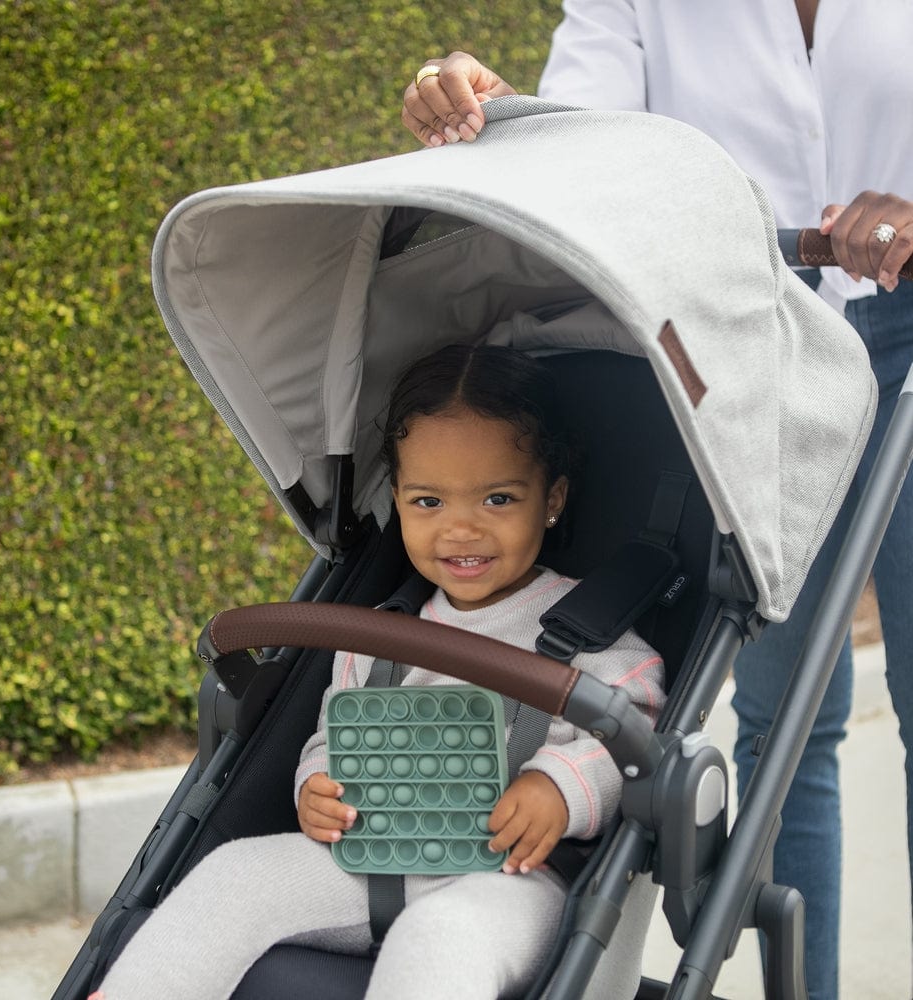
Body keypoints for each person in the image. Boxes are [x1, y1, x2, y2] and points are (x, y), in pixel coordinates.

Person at [400, 6, 913, 1000]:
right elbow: (583, 139)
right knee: (782, 728)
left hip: (910, 322)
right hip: (748, 347)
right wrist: (491, 106)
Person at [89, 343, 667, 1000]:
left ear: (552, 498)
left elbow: (637, 738)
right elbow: (332, 738)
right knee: (236, 873)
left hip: (512, 882)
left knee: (438, 937)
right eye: (429, 502)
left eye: (498, 498)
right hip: (377, 857)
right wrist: (318, 787)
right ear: (396, 499)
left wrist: (560, 787)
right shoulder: (379, 635)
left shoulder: (591, 635)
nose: (460, 529)